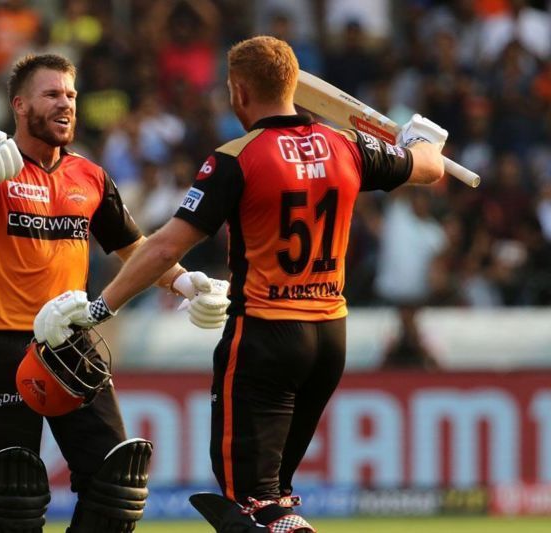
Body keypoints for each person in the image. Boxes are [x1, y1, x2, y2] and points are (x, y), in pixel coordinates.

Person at [35, 36, 448, 532]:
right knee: (274, 498)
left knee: (249, 505)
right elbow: (430, 166)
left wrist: (101, 309)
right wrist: (418, 139)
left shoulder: (236, 158)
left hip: (265, 338)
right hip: (328, 338)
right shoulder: (348, 148)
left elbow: (165, 247)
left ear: (238, 92)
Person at [0, 53, 228, 533]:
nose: (66, 105)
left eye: (71, 96)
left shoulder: (91, 176)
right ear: (20, 105)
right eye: (52, 95)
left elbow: (135, 247)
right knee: (12, 498)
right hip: (6, 346)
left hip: (71, 345)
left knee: (116, 484)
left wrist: (183, 281)